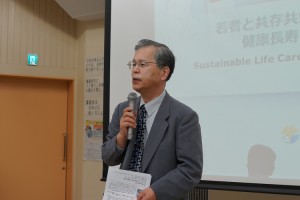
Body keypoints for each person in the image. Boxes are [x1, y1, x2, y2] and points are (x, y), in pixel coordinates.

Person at [101, 39, 203, 200]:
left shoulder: (184, 116)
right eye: (133, 64)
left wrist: (156, 191)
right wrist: (121, 137)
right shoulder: (123, 109)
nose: (135, 70)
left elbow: (190, 170)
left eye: (142, 64)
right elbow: (108, 157)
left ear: (164, 72)